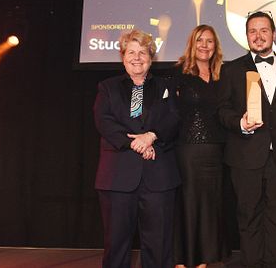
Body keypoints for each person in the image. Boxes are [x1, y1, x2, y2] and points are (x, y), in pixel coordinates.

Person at [217, 11, 276, 268]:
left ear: (274, 34)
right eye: (252, 31)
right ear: (246, 37)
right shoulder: (231, 69)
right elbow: (221, 110)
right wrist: (240, 123)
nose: (258, 36)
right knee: (248, 216)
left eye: (264, 30)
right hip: (245, 155)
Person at [93, 29, 181, 268]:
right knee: (116, 244)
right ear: (123, 57)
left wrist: (151, 136)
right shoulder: (107, 87)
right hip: (117, 178)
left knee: (159, 245)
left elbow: (173, 118)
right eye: (131, 52)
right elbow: (104, 121)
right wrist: (136, 142)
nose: (137, 57)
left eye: (143, 52)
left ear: (151, 58)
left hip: (158, 178)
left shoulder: (166, 86)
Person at [173, 25, 230, 268]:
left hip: (216, 150)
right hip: (188, 149)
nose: (205, 45)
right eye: (200, 41)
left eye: (209, 41)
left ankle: (205, 259)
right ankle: (183, 259)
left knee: (211, 203)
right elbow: (170, 113)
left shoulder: (223, 76)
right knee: (189, 202)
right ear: (192, 44)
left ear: (215, 46)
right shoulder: (179, 74)